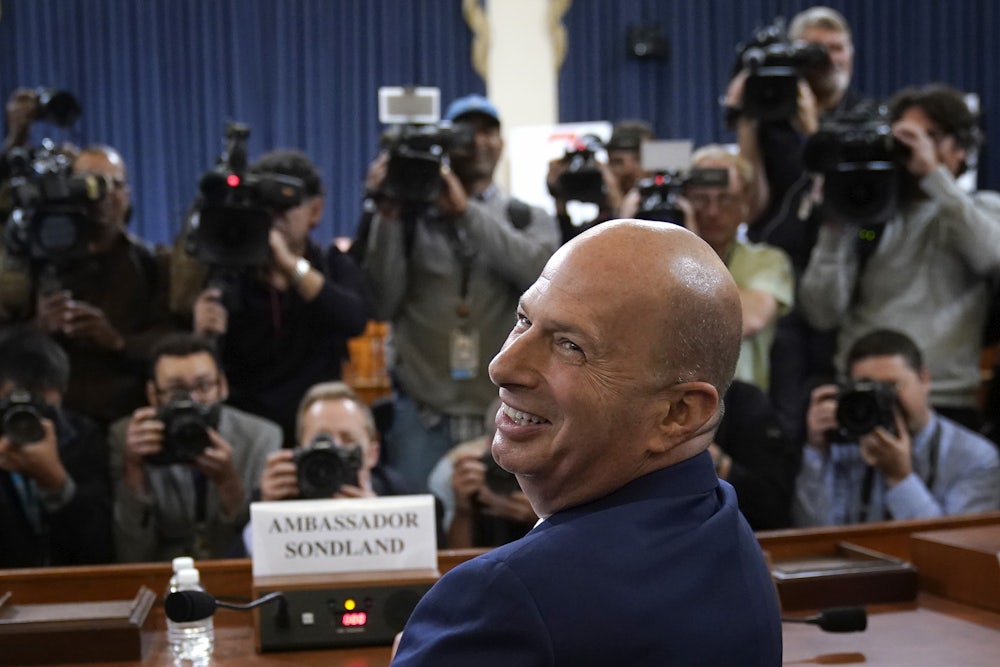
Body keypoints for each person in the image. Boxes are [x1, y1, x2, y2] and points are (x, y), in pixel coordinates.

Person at [392, 220, 782, 665]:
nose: (501, 366)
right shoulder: (728, 532)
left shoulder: (505, 598)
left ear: (678, 413)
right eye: (523, 320)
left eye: (570, 346)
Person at [362, 93, 560, 490]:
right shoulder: (411, 218)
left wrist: (465, 213)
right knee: (422, 525)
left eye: (489, 131)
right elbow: (381, 302)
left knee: (504, 521)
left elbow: (540, 277)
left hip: (506, 412)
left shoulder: (527, 217)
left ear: (501, 142)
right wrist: (387, 215)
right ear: (447, 144)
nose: (478, 142)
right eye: (467, 132)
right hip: (422, 415)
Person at [799, 84, 1000, 429]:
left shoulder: (982, 209)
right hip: (862, 393)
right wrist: (835, 222)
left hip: (944, 398)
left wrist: (933, 175)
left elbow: (991, 257)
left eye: (932, 136)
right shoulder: (867, 215)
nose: (916, 146)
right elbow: (821, 313)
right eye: (906, 137)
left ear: (962, 150)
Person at [183, 149, 370, 445]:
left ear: (315, 211)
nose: (274, 219)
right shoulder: (229, 273)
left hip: (314, 425)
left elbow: (353, 319)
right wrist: (203, 333)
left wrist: (290, 266)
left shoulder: (334, 265)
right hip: (248, 429)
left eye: (284, 209)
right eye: (264, 208)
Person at [0, 142, 173, 427]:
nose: (102, 195)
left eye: (114, 185)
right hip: (45, 418)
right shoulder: (29, 264)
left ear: (128, 195)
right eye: (88, 184)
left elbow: (173, 341)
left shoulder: (153, 265)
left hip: (125, 419)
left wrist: (117, 341)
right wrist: (38, 328)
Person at [793, 329, 1000, 526]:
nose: (882, 400)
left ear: (924, 379)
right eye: (867, 389)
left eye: (892, 386)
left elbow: (956, 543)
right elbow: (812, 532)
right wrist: (816, 451)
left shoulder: (975, 458)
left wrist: (900, 478)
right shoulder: (844, 441)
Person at [109, 333, 281, 562]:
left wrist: (228, 484)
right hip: (162, 571)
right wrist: (135, 471)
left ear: (222, 386)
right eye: (176, 390)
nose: (191, 400)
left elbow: (258, 551)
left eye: (203, 386)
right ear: (153, 395)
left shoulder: (260, 437)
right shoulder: (129, 436)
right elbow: (131, 556)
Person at [241, 381, 419, 555]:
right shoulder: (276, 497)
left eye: (348, 440)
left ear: (373, 453)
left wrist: (381, 523)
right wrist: (266, 518)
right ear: (300, 450)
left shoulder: (404, 501)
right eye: (321, 440)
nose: (334, 450)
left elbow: (422, 564)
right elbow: (232, 569)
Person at [681, 144, 793, 392]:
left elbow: (750, 319)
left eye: (725, 199)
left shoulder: (767, 260)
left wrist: (692, 248)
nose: (712, 211)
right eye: (700, 199)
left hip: (741, 399)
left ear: (745, 204)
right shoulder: (666, 258)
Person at [0, 326, 113, 567]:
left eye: (40, 404)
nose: (27, 416)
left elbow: (101, 548)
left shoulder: (83, 436)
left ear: (61, 392)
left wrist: (57, 484)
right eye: (15, 402)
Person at [427, 398, 537, 548]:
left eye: (524, 450)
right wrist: (463, 511)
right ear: (488, 444)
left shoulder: (557, 472)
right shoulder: (462, 470)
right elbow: (457, 559)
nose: (512, 468)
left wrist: (541, 517)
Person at [547, 120, 654, 243]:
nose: (627, 170)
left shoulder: (664, 211)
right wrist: (559, 196)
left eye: (638, 160)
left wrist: (619, 207)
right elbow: (575, 248)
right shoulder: (603, 218)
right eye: (616, 162)